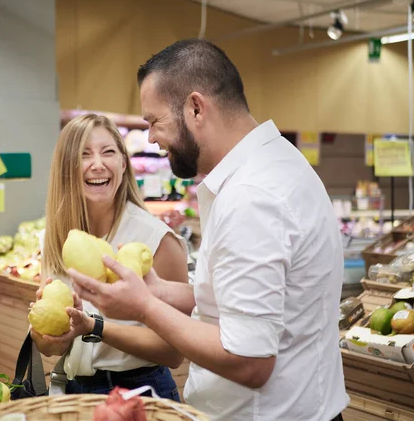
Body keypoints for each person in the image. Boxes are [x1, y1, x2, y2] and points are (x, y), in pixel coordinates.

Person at [67, 39, 349, 421]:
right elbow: (238, 302)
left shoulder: (251, 197)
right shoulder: (277, 164)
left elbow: (249, 362)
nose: (150, 137)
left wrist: (144, 308)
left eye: (153, 121)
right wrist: (160, 291)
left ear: (196, 108)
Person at [31, 113, 189, 401]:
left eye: (108, 152)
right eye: (84, 155)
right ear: (67, 168)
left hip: (138, 393)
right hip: (72, 391)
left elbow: (173, 351)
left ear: (123, 163)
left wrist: (94, 328)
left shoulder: (156, 240)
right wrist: (50, 334)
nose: (98, 164)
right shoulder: (55, 237)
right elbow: (50, 349)